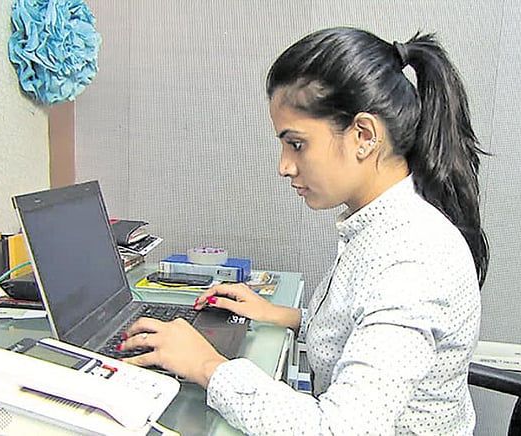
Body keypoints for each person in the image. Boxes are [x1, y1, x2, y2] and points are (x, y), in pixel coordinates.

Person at [118, 26, 489, 435]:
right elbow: (360, 326)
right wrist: (281, 315)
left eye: (296, 144)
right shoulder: (383, 226)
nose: (284, 166)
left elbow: (339, 430)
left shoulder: (412, 261)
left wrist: (207, 365)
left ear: (364, 136)